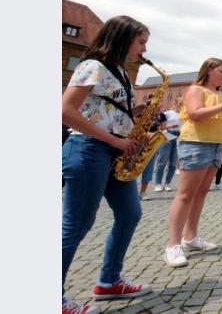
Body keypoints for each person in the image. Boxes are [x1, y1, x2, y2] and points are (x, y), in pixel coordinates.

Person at [61, 16, 152, 314]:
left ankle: (109, 281)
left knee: (130, 214)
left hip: (115, 151)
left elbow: (105, 109)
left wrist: (137, 114)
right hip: (89, 149)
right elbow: (65, 110)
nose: (144, 49)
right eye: (141, 42)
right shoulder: (93, 66)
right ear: (123, 38)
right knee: (77, 225)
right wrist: (113, 140)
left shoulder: (121, 72)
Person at [164, 58, 222, 267]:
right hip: (196, 143)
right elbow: (195, 114)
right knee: (185, 194)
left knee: (201, 193)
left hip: (217, 144)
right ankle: (173, 245)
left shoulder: (220, 95)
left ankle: (190, 237)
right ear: (209, 70)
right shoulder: (196, 90)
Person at [154, 99, 183, 192]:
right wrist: (171, 127)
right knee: (162, 161)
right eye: (180, 103)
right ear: (175, 103)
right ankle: (158, 183)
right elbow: (161, 127)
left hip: (179, 136)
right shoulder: (168, 113)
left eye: (183, 104)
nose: (181, 105)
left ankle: (167, 183)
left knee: (173, 163)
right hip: (167, 135)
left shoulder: (184, 115)